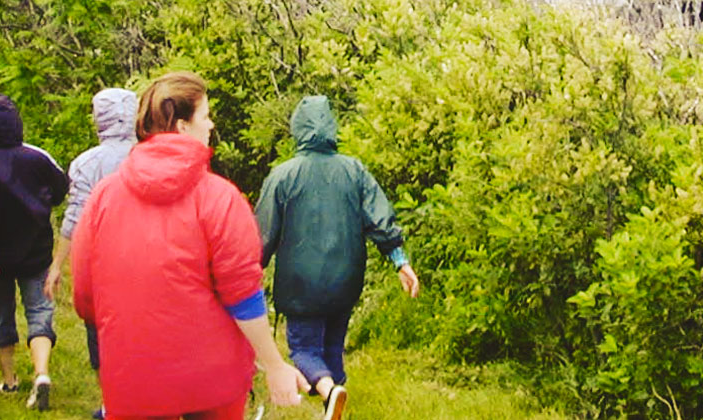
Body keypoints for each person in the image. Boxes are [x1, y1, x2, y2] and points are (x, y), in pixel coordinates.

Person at [72, 71, 307, 420]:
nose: (210, 125)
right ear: (182, 126)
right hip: (212, 379)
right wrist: (273, 364)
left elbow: (84, 293)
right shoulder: (220, 198)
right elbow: (242, 294)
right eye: (205, 115)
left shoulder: (104, 196)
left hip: (133, 376)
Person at [257, 95, 421, 420]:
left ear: (297, 129)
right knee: (332, 349)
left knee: (304, 350)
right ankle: (334, 407)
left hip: (300, 287)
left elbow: (260, 236)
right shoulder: (354, 170)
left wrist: (248, 275)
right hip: (346, 282)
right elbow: (380, 218)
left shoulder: (283, 176)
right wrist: (400, 261)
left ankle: (331, 393)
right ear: (331, 127)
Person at [0, 94, 69, 411]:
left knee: (2, 312)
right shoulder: (38, 156)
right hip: (36, 248)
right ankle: (41, 374)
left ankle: (9, 381)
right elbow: (63, 187)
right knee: (39, 311)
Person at [45, 87, 137, 420]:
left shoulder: (86, 163)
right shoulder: (151, 154)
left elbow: (75, 219)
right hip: (149, 260)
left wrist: (57, 264)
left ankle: (112, 404)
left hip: (103, 265)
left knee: (101, 332)